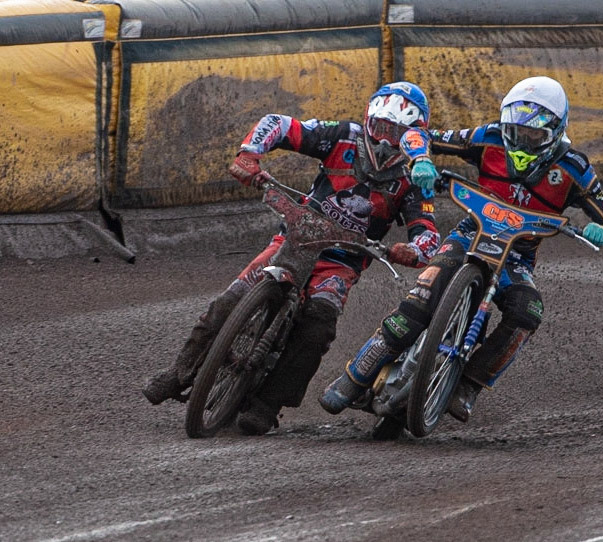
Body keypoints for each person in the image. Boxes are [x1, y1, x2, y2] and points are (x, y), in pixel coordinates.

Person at [319, 76, 603, 422]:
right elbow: (418, 134)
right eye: (515, 132)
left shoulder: (575, 169)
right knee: (420, 301)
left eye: (532, 136)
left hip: (515, 256)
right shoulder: (488, 137)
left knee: (528, 311)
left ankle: (469, 385)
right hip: (470, 234)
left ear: (556, 133)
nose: (521, 142)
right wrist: (421, 159)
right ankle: (355, 376)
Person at [143, 82, 441, 435]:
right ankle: (179, 372)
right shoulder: (343, 136)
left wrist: (413, 249)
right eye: (380, 128)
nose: (385, 140)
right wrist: (250, 153)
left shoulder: (414, 178)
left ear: (414, 135)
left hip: (342, 261)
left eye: (396, 133)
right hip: (295, 238)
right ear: (368, 119)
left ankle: (269, 404)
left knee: (319, 324)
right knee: (232, 297)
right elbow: (280, 124)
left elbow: (428, 232)